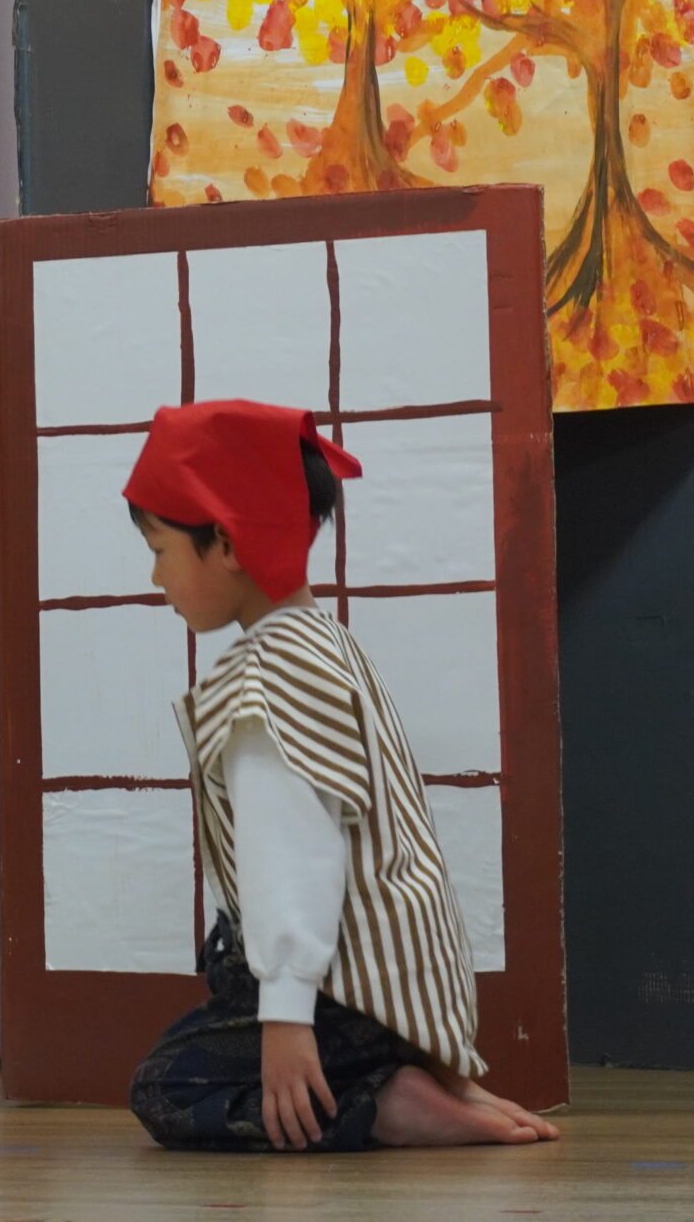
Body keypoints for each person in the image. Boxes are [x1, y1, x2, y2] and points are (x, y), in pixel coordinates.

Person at [120, 399, 559, 1153]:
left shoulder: (266, 684)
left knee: (165, 1085)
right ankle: (414, 1072)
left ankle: (386, 1103)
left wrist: (285, 1017)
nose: (155, 575)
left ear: (225, 542)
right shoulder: (327, 645)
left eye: (160, 549)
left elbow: (295, 858)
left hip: (338, 993)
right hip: (401, 988)